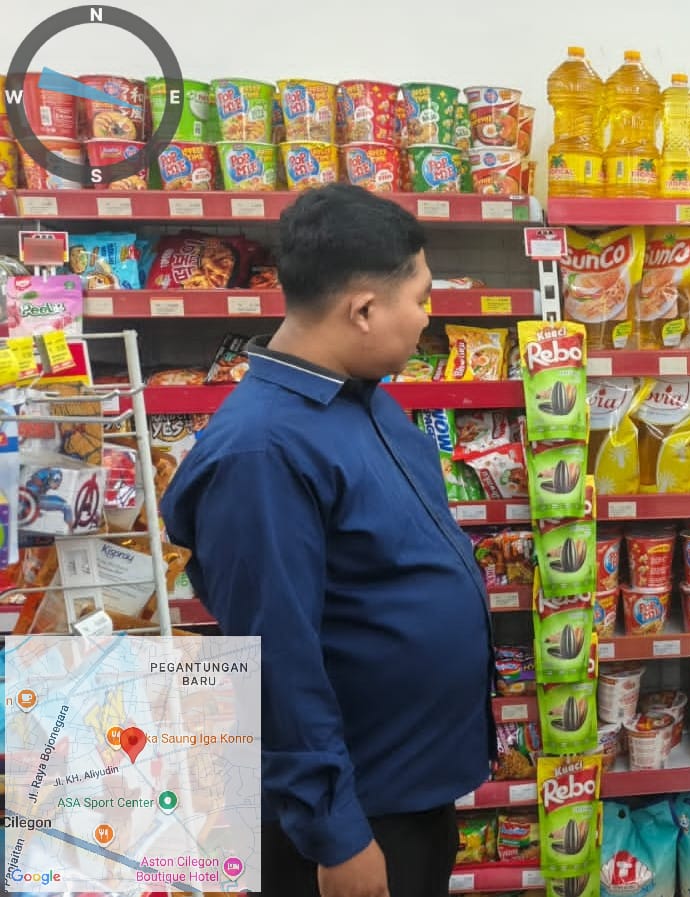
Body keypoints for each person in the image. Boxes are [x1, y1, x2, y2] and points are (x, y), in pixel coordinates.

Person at [162, 185, 493, 897]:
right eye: (422, 298)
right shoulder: (262, 452)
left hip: (404, 785)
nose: (428, 316)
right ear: (363, 310)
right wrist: (335, 833)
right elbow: (277, 657)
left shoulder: (360, 398)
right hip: (349, 817)